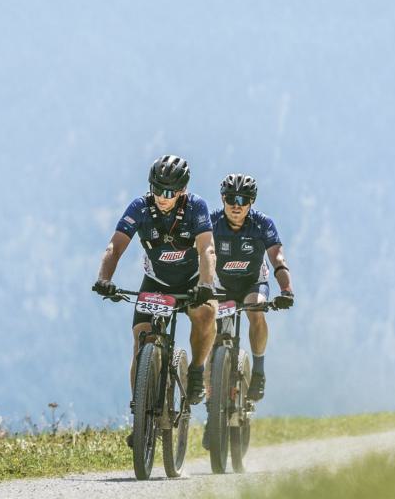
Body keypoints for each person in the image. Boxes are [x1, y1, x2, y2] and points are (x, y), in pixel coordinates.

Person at [92, 155, 218, 445]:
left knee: (206, 315)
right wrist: (105, 279)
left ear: (182, 191)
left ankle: (197, 369)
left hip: (191, 283)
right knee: (141, 340)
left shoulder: (196, 207)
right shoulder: (140, 207)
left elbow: (207, 250)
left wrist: (206, 284)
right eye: (156, 189)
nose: (162, 197)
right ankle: (140, 416)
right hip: (156, 284)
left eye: (169, 192)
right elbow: (115, 246)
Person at [210, 173, 294, 401]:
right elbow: (196, 255)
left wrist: (286, 290)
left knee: (255, 308)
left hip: (253, 283)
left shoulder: (262, 223)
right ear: (222, 199)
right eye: (231, 199)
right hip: (221, 286)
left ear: (252, 202)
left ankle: (258, 371)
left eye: (243, 200)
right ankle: (212, 407)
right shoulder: (211, 223)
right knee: (213, 337)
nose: (236, 206)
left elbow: (277, 258)